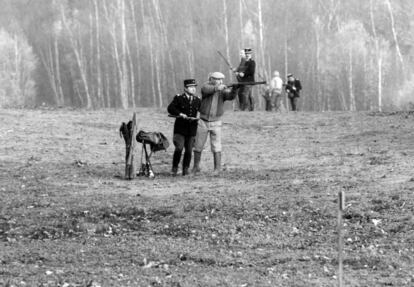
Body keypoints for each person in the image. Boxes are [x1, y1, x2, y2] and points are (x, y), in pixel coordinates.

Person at [192, 72, 238, 174]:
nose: (220, 81)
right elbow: (207, 90)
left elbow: (230, 96)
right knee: (198, 145)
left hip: (216, 122)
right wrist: (218, 88)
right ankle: (196, 167)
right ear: (211, 79)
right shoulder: (206, 86)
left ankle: (217, 169)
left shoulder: (223, 90)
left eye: (221, 79)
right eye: (218, 79)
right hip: (203, 121)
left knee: (216, 146)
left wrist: (235, 89)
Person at [167, 79, 201, 176]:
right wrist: (180, 114)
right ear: (185, 88)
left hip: (192, 129)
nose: (193, 89)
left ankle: (185, 169)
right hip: (180, 129)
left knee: (189, 150)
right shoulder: (179, 98)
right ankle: (174, 168)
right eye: (191, 87)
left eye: (194, 87)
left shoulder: (197, 100)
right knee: (179, 148)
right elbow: (170, 108)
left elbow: (201, 110)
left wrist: (199, 116)